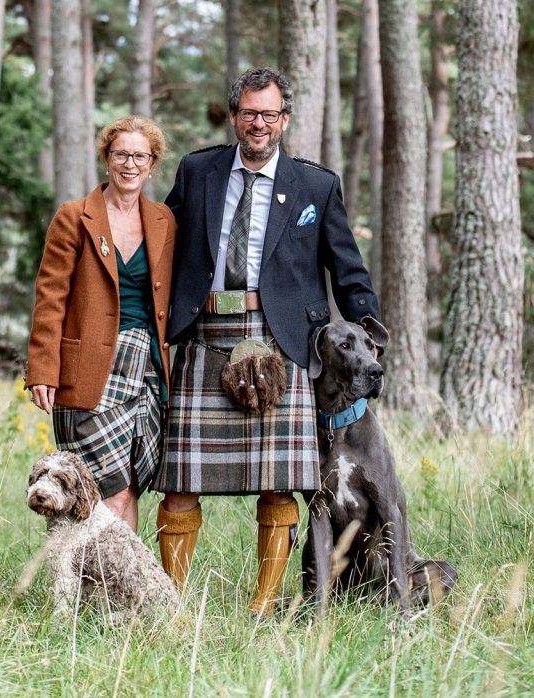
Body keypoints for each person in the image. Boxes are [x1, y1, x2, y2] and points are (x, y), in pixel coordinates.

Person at [153, 68, 381, 615]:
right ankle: (172, 603)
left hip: (282, 340)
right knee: (180, 483)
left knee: (279, 485)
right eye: (250, 113)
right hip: (206, 334)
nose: (260, 124)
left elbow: (346, 270)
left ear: (285, 119)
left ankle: (263, 604)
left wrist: (370, 338)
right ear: (234, 116)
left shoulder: (315, 186)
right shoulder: (197, 171)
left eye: (270, 114)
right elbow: (159, 239)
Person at [25, 116, 175, 532]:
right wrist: (42, 367)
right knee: (95, 486)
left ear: (152, 164)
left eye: (139, 156)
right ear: (107, 159)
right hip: (88, 370)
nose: (130, 164)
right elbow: (50, 297)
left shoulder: (163, 221)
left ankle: (119, 586)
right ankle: (84, 583)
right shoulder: (74, 216)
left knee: (128, 485)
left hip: (144, 367)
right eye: (120, 154)